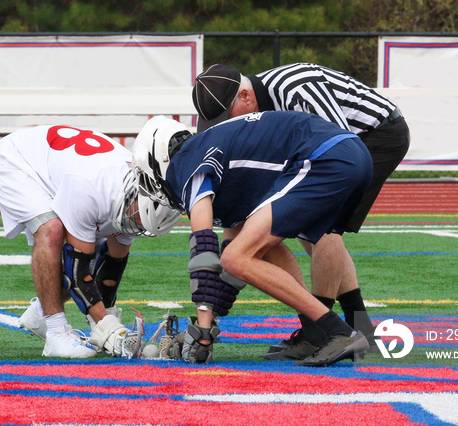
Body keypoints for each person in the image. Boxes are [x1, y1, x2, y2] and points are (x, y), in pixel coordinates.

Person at [191, 63, 411, 354]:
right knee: (315, 228)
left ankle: (319, 333)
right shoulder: (262, 102)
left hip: (374, 136)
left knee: (320, 229)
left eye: (226, 116)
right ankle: (361, 327)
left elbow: (341, 145)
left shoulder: (296, 89)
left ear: (245, 96)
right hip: (348, 144)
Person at [134, 111, 373, 366]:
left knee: (236, 257)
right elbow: (231, 275)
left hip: (326, 156)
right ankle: (316, 332)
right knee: (251, 252)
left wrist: (202, 335)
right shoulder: (220, 164)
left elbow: (204, 255)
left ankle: (339, 332)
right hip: (348, 154)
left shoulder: (185, 162)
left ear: (157, 159)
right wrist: (206, 325)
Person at [0, 123, 182, 359]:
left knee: (92, 246)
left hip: (61, 166)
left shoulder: (139, 196)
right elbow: (76, 273)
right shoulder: (92, 190)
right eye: (138, 221)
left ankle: (39, 314)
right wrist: (107, 326)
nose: (135, 226)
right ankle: (55, 335)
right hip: (15, 160)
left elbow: (112, 265)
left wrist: (104, 321)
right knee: (51, 230)